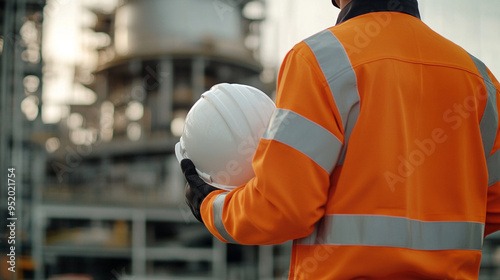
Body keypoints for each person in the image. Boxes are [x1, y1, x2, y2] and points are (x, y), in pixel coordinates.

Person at [181, 0, 500, 278]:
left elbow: (283, 207)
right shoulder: (479, 77)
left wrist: (210, 205)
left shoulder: (318, 61)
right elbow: (496, 205)